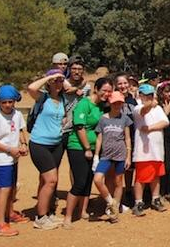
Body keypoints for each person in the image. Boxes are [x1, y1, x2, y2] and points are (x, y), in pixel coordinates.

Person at [62, 78, 112, 228]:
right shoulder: (84, 103)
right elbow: (79, 127)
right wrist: (87, 148)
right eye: (104, 90)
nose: (107, 94)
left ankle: (82, 211)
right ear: (96, 89)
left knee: (89, 180)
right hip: (78, 147)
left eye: (109, 91)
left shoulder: (101, 106)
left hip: (94, 148)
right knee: (79, 182)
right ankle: (68, 217)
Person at [27, 69, 69, 230]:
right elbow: (31, 88)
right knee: (51, 180)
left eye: (60, 80)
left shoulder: (62, 99)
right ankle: (41, 218)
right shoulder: (43, 97)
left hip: (56, 144)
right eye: (55, 81)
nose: (59, 83)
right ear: (49, 82)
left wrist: (61, 78)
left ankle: (47, 212)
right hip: (40, 143)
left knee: (45, 180)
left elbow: (69, 87)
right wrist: (50, 77)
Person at [0, 85, 29, 236]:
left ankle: (10, 213)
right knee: (4, 189)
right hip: (1, 159)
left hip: (13, 158)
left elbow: (21, 130)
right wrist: (9, 149)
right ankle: (0, 224)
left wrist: (23, 144)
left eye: (10, 101)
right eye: (4, 102)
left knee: (11, 188)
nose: (8, 105)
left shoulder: (17, 114)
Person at [92, 90, 133, 223]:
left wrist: (128, 156)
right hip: (106, 155)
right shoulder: (103, 119)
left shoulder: (125, 119)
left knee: (118, 182)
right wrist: (96, 155)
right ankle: (111, 202)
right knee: (98, 179)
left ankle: (115, 210)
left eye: (120, 103)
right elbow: (99, 138)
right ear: (110, 103)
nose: (117, 105)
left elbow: (127, 138)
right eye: (115, 103)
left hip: (120, 154)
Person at [131, 84, 170, 215]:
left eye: (151, 95)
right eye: (146, 95)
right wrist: (150, 104)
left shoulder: (157, 108)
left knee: (156, 176)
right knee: (140, 178)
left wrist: (150, 128)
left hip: (157, 150)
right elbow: (144, 111)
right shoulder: (137, 108)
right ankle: (138, 202)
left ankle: (155, 199)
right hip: (143, 152)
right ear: (140, 95)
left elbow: (165, 122)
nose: (149, 98)